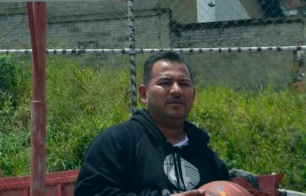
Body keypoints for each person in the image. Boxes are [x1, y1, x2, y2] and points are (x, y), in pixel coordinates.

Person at [74, 50, 230, 196]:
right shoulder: (117, 142)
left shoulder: (208, 158)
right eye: (165, 82)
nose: (176, 90)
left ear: (193, 95)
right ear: (144, 94)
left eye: (184, 84)